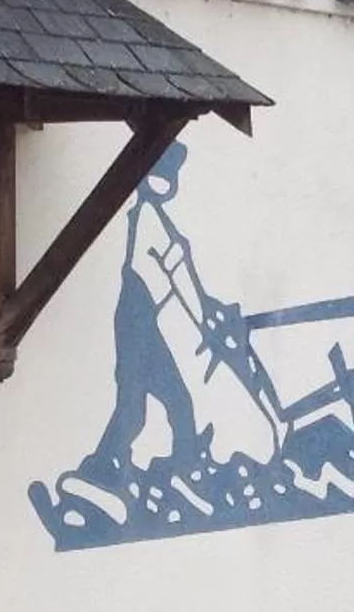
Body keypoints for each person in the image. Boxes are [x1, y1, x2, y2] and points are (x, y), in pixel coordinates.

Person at [89, 144, 281, 474]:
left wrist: (211, 307)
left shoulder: (157, 217)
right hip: (137, 323)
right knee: (135, 408)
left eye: (169, 177)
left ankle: (183, 459)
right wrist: (204, 318)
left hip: (147, 322)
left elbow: (185, 281)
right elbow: (173, 279)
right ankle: (104, 464)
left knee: (176, 401)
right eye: (161, 176)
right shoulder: (147, 218)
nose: (166, 184)